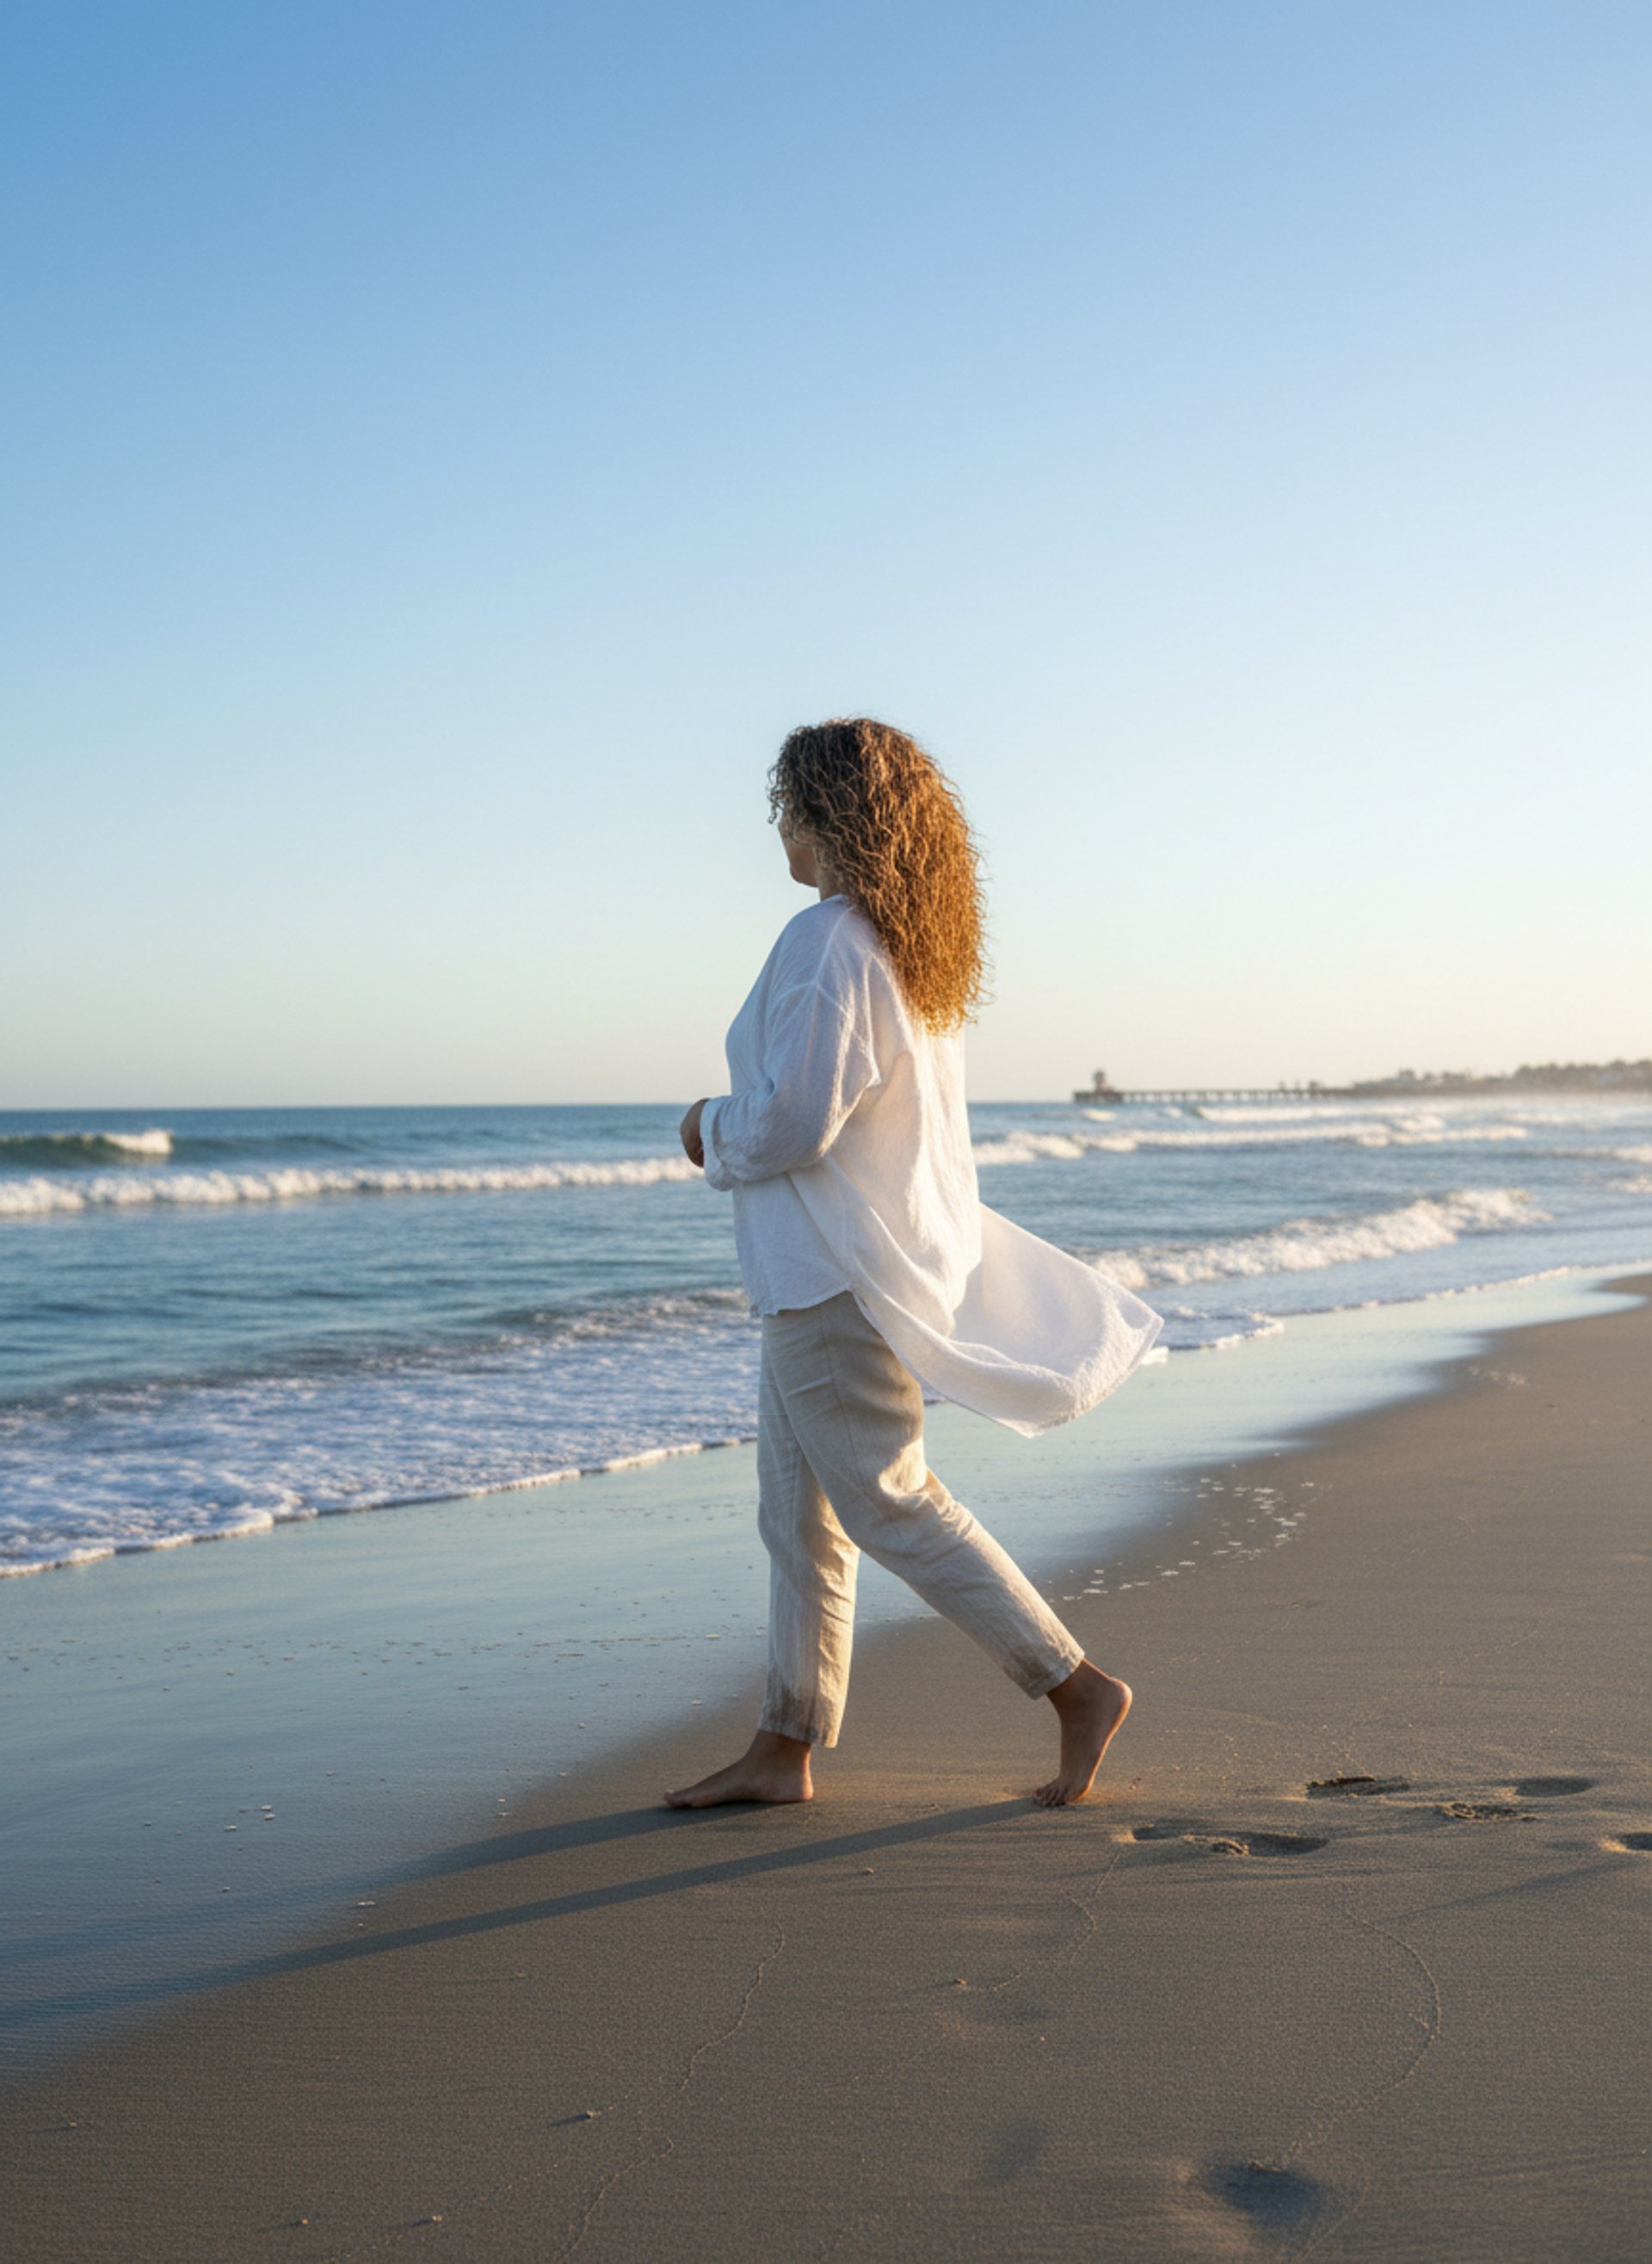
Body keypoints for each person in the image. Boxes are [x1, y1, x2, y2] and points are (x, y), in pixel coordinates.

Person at [669, 719, 1162, 1811]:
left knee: (888, 1500)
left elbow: (798, 1121)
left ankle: (1072, 1684)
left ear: (832, 816)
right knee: (796, 1518)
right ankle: (784, 1742)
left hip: (832, 1274)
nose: (778, 829)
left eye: (788, 808)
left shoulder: (831, 939)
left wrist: (709, 1123)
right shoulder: (902, 945)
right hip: (837, 1270)